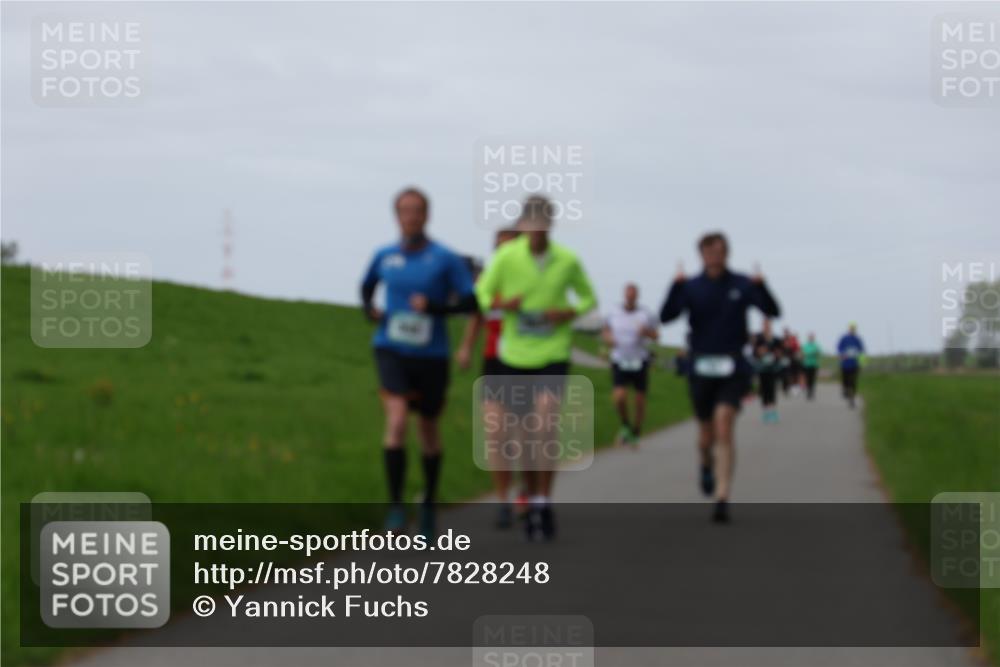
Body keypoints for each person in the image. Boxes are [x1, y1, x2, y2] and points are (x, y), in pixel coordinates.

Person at [474, 195, 597, 541]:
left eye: (543, 222)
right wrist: (502, 303)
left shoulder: (567, 260)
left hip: (554, 351)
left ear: (550, 224)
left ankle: (543, 500)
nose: (537, 229)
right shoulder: (507, 257)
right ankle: (531, 498)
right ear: (523, 225)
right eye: (531, 222)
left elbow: (589, 298)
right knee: (526, 437)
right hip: (514, 354)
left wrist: (569, 313)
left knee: (545, 422)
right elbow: (481, 295)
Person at [360, 187, 478, 538]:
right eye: (404, 211)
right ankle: (396, 506)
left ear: (427, 215)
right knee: (396, 420)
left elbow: (470, 303)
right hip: (391, 348)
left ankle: (427, 502)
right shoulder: (384, 255)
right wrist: (369, 311)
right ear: (397, 216)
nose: (410, 216)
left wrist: (435, 308)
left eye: (416, 210)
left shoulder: (445, 258)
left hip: (432, 355)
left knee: (428, 430)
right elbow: (366, 287)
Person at [660, 232, 780, 523]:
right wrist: (674, 288)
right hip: (700, 365)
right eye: (710, 252)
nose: (716, 256)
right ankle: (705, 464)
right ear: (701, 255)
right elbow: (666, 316)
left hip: (733, 365)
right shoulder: (690, 286)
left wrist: (762, 288)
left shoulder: (741, 284)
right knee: (705, 435)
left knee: (724, 423)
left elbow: (772, 311)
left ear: (728, 254)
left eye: (721, 251)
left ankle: (723, 496)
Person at [455, 227, 523, 528]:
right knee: (496, 435)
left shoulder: (531, 282)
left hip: (527, 363)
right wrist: (467, 347)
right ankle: (503, 501)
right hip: (494, 361)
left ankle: (526, 491)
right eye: (498, 248)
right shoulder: (486, 281)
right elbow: (476, 315)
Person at [602, 283, 658, 447]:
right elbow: (605, 330)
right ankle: (625, 424)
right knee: (619, 396)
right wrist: (608, 338)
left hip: (639, 360)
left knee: (639, 400)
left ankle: (636, 430)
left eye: (633, 295)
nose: (630, 297)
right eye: (628, 294)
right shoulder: (613, 313)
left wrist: (646, 332)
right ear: (624, 295)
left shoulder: (646, 314)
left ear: (637, 296)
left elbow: (656, 335)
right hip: (620, 359)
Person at [750, 319, 783, 424]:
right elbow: (755, 351)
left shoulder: (776, 339)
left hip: (773, 367)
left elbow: (780, 351)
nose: (766, 327)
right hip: (762, 368)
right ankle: (765, 412)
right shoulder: (759, 338)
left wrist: (776, 353)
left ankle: (772, 411)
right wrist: (760, 351)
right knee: (764, 389)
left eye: (768, 325)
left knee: (772, 388)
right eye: (764, 325)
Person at [837, 323, 866, 408]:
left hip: (855, 364)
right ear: (849, 329)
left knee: (853, 381)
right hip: (845, 364)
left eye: (853, 329)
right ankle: (845, 390)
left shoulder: (858, 339)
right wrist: (842, 354)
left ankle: (852, 399)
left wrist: (862, 363)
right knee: (845, 380)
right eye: (851, 329)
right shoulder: (844, 338)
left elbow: (862, 352)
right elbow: (839, 348)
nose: (852, 330)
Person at [781, 328, 802, 396]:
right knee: (786, 374)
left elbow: (797, 350)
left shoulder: (793, 341)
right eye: (785, 332)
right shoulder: (782, 340)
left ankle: (794, 387)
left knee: (794, 374)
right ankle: (786, 387)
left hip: (794, 360)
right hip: (785, 359)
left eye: (787, 332)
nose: (786, 334)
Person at [801, 332, 822, 400]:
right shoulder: (805, 345)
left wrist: (814, 353)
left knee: (813, 379)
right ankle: (808, 392)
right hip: (807, 364)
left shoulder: (816, 345)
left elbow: (819, 353)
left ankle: (812, 391)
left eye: (812, 337)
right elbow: (803, 354)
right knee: (808, 379)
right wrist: (808, 354)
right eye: (810, 337)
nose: (811, 338)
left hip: (814, 364)